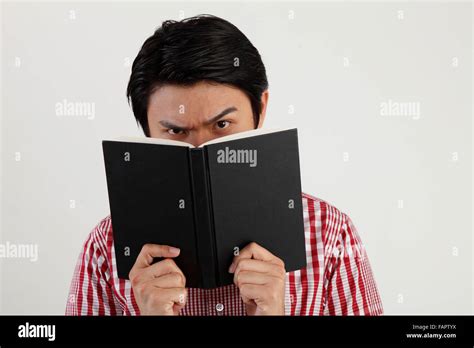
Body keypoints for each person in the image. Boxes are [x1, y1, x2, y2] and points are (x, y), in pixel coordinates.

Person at [65, 14, 383, 316]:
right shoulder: (104, 249)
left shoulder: (329, 234)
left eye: (222, 125)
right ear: (148, 131)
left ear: (261, 109)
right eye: (176, 131)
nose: (200, 150)